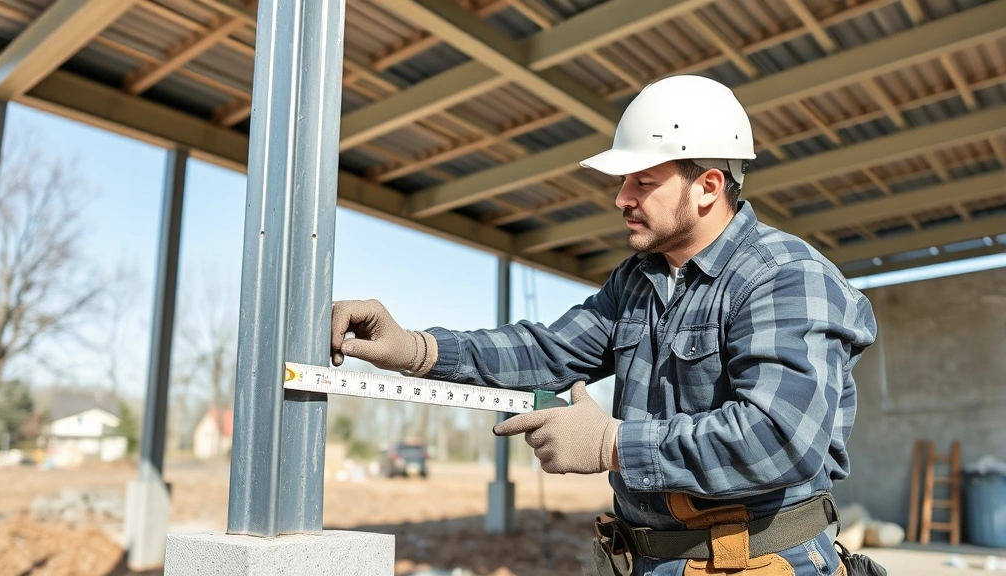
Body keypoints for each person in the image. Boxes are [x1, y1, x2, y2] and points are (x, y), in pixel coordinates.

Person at [330, 75, 878, 576]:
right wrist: (417, 350)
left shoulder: (787, 277)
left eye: (643, 180)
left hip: (756, 562)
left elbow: (778, 438)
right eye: (623, 181)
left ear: (709, 185)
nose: (622, 198)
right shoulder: (640, 280)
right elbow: (547, 352)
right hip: (646, 561)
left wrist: (612, 444)